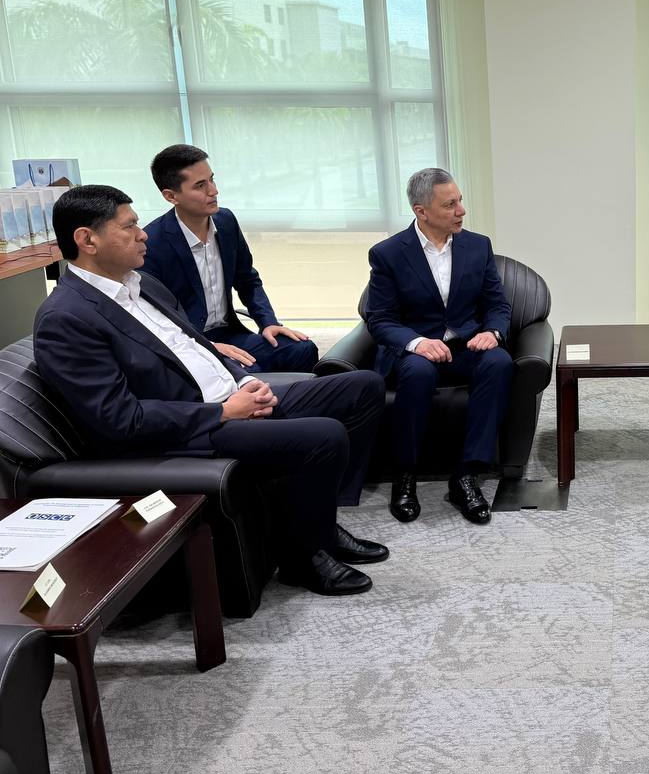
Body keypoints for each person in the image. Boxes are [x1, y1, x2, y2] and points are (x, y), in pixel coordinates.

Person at [35, 185, 388, 597]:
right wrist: (225, 411)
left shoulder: (143, 284)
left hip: (229, 397)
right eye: (129, 227)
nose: (143, 234)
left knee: (362, 387)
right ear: (87, 239)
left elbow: (199, 346)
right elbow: (119, 420)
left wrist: (244, 381)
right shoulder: (66, 318)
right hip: (187, 429)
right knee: (325, 435)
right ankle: (302, 558)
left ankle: (320, 523)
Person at [365, 168, 513, 525]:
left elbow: (497, 304)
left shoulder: (478, 245)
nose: (461, 210)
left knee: (499, 362)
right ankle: (405, 474)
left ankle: (466, 474)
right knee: (417, 373)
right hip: (415, 349)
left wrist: (493, 332)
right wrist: (416, 343)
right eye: (450, 205)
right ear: (421, 211)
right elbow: (380, 319)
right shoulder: (388, 254)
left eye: (460, 200)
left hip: (464, 345)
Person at [141, 144, 318, 375]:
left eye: (212, 180)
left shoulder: (225, 221)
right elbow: (154, 317)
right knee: (250, 371)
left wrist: (268, 322)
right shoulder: (151, 243)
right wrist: (207, 346)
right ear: (171, 196)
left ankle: (301, 399)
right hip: (191, 344)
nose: (213, 191)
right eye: (200, 186)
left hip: (231, 332)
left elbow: (248, 280)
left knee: (302, 349)